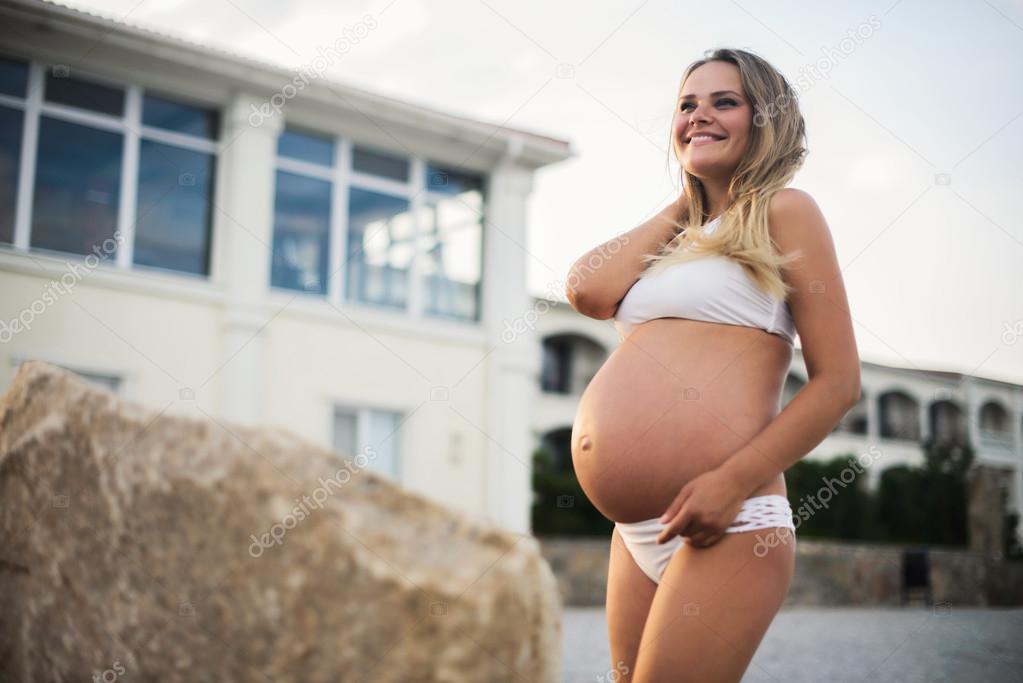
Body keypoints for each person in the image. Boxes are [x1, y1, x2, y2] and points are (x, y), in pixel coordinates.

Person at [565, 47, 861, 682]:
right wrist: (690, 198)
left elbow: (839, 383)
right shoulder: (676, 235)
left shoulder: (786, 211)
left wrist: (731, 483)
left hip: (731, 520)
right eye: (686, 105)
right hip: (638, 531)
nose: (699, 116)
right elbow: (587, 291)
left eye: (724, 102)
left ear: (765, 120)